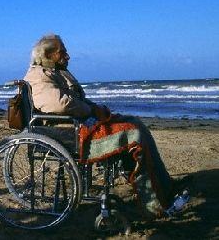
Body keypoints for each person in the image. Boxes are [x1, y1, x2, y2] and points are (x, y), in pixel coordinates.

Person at [24, 33, 191, 218]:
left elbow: (74, 101)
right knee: (134, 134)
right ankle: (156, 205)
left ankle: (164, 185)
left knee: (135, 123)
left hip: (80, 125)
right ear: (48, 55)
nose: (68, 56)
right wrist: (90, 110)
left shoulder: (56, 72)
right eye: (62, 52)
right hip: (71, 132)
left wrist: (94, 108)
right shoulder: (38, 76)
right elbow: (60, 104)